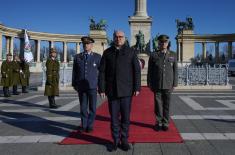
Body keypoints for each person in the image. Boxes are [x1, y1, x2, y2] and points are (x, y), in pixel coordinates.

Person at [98, 30, 141, 151]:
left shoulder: (131, 51)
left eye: (121, 37)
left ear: (125, 38)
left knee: (126, 118)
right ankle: (115, 140)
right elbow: (102, 72)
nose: (118, 39)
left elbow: (136, 70)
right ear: (113, 38)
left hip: (126, 91)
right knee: (114, 118)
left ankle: (125, 140)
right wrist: (101, 88)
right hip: (112, 91)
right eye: (116, 37)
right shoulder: (107, 52)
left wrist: (137, 87)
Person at [147, 34, 178, 131]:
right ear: (159, 43)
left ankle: (166, 122)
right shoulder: (153, 55)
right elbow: (150, 71)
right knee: (158, 105)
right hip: (157, 83)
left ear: (167, 43)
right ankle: (158, 122)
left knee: (167, 104)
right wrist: (149, 83)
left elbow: (175, 70)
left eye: (165, 42)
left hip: (168, 83)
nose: (163, 44)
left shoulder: (173, 54)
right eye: (161, 42)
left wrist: (175, 83)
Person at [72, 36, 101, 133]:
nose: (85, 45)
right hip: (81, 86)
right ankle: (83, 125)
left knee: (92, 107)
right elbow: (74, 72)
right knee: (83, 107)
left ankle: (90, 125)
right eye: (84, 44)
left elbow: (101, 72)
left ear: (91, 45)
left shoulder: (97, 57)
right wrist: (74, 83)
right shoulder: (77, 57)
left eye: (88, 44)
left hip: (92, 85)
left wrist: (100, 85)